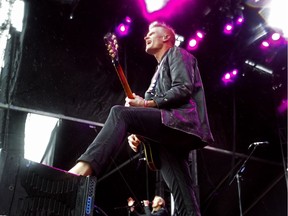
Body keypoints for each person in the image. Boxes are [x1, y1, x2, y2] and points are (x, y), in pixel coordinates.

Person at [68, 21, 214, 215]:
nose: (146, 36)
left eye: (152, 33)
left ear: (166, 38)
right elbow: (151, 114)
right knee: (185, 201)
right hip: (167, 140)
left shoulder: (178, 54)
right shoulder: (156, 77)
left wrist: (144, 106)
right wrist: (139, 134)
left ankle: (80, 173)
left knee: (119, 113)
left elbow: (183, 88)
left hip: (182, 124)